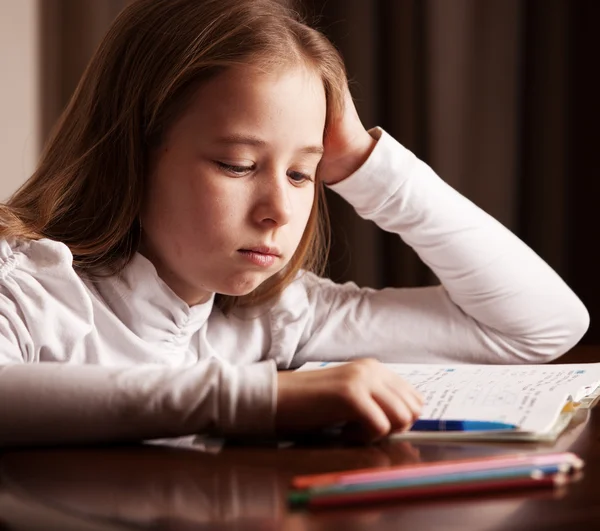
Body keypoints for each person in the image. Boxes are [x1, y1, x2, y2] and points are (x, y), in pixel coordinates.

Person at [0, 0, 588, 447]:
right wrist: (262, 397)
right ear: (130, 153)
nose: (278, 211)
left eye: (304, 174)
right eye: (238, 165)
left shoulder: (277, 317)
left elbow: (540, 329)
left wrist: (364, 163)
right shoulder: (30, 286)